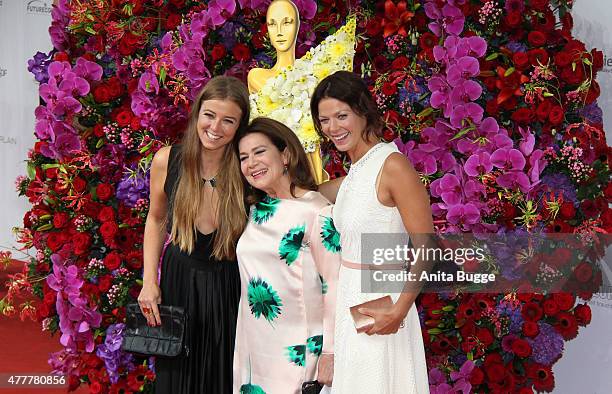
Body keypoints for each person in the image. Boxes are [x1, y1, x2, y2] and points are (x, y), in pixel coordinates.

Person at [311, 71, 432, 394]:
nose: (333, 128)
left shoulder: (392, 165)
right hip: (350, 298)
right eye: (324, 120)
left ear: (363, 112)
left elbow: (427, 246)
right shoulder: (356, 170)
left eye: (341, 116)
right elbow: (314, 194)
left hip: (382, 302)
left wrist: (399, 310)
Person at [138, 76, 250, 393]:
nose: (216, 127)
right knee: (176, 375)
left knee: (223, 374)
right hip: (178, 280)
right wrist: (150, 281)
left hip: (228, 284)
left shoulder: (247, 170)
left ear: (240, 127)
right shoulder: (167, 159)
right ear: (197, 113)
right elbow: (157, 219)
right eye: (210, 115)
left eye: (229, 120)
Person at [233, 117, 340, 394]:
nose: (251, 163)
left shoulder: (317, 211)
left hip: (300, 354)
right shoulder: (256, 210)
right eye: (244, 157)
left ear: (286, 155)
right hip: (255, 351)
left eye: (259, 152)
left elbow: (335, 284)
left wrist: (330, 352)